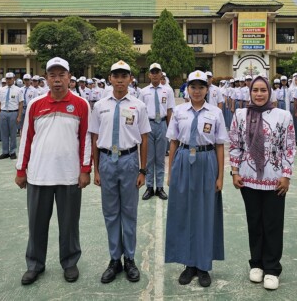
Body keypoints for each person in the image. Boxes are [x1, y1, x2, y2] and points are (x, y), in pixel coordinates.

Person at [15, 57, 92, 285]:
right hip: (39, 174)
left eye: (61, 75)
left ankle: (69, 263)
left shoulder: (81, 104)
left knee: (69, 224)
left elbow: (85, 139)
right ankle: (35, 264)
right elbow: (26, 139)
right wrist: (21, 169)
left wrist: (85, 169)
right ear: (46, 78)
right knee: (36, 224)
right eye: (52, 75)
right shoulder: (35, 104)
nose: (57, 80)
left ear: (69, 77)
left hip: (69, 175)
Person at [229, 75, 295, 291]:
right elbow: (235, 144)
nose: (259, 94)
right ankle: (256, 263)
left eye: (263, 90)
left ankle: (272, 268)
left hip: (275, 179)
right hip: (248, 178)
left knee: (273, 224)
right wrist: (235, 171)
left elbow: (289, 147)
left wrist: (286, 175)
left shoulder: (283, 116)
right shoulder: (240, 115)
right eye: (255, 90)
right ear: (250, 92)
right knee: (254, 222)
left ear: (270, 92)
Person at [165, 70, 229, 288]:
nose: (197, 91)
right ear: (187, 89)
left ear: (207, 89)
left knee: (205, 214)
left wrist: (220, 176)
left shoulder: (215, 113)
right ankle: (188, 264)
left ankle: (203, 265)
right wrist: (170, 172)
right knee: (183, 212)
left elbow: (220, 145)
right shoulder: (179, 111)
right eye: (193, 87)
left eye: (201, 87)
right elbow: (173, 142)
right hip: (183, 160)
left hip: (206, 160)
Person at [90, 60, 150, 284]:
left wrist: (143, 170)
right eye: (116, 75)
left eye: (124, 75)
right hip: (106, 161)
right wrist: (96, 169)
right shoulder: (100, 105)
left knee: (129, 213)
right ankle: (115, 259)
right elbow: (95, 138)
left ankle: (130, 259)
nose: (120, 80)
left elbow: (144, 139)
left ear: (130, 79)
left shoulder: (138, 106)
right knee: (111, 213)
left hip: (129, 161)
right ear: (110, 78)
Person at [139, 63, 175, 201]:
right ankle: (149, 187)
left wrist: (170, 130)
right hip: (148, 125)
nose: (154, 74)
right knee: (149, 159)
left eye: (157, 72)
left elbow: (170, 110)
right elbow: (140, 112)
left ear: (161, 74)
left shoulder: (168, 91)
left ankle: (159, 187)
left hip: (162, 125)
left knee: (160, 159)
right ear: (149, 75)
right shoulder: (143, 91)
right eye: (152, 72)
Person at [0, 72, 24, 160]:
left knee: (12, 134)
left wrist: (19, 116)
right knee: (4, 133)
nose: (8, 80)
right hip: (3, 113)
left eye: (10, 78)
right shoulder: (2, 90)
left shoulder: (18, 90)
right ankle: (5, 152)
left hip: (13, 112)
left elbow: (20, 104)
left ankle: (12, 151)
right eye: (7, 79)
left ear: (14, 79)